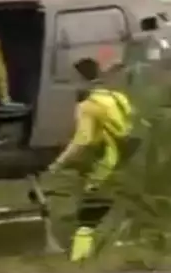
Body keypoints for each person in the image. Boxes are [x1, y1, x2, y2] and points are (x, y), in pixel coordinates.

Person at [47, 57, 137, 262]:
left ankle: (80, 261)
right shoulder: (118, 97)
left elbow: (83, 140)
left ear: (81, 79)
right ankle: (108, 251)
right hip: (127, 160)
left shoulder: (88, 105)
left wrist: (58, 163)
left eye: (73, 78)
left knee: (87, 216)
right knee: (112, 208)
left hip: (106, 164)